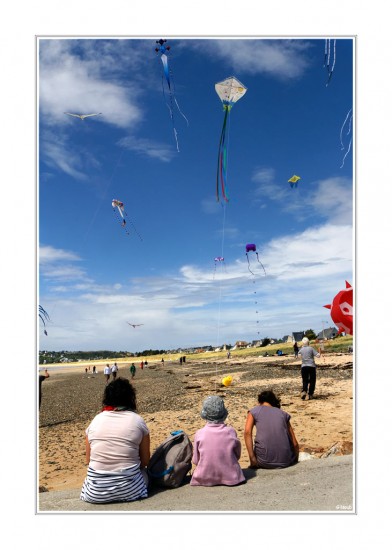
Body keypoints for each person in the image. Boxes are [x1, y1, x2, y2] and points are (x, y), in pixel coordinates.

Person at [80, 377, 150, 503]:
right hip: (130, 490)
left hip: (95, 493)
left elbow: (88, 460)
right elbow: (145, 461)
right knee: (146, 473)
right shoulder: (137, 420)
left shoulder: (95, 420)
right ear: (131, 398)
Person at [190, 395, 245, 487]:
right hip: (232, 477)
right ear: (224, 413)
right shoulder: (230, 431)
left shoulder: (199, 433)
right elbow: (237, 455)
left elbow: (196, 460)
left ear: (204, 414)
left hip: (204, 477)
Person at [244, 390, 299, 469]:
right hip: (285, 461)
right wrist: (295, 460)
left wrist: (252, 459)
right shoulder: (283, 414)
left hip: (263, 460)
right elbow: (295, 444)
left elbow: (247, 433)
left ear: (260, 401)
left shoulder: (253, 411)